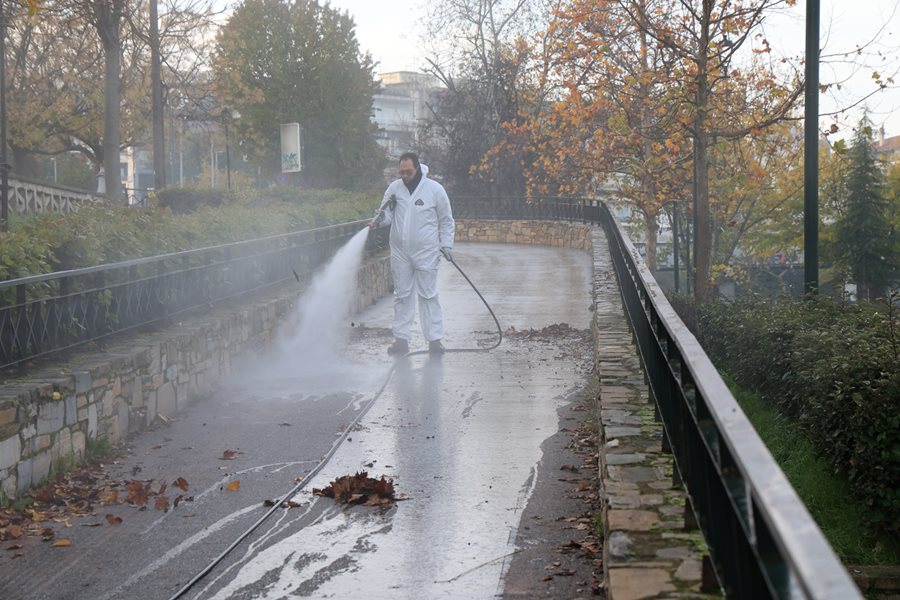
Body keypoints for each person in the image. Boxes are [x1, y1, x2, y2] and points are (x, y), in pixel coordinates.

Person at [369, 152, 455, 356]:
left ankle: (434, 341)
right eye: (402, 172)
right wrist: (377, 221)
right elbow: (386, 213)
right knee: (402, 295)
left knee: (428, 295)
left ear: (417, 168)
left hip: (426, 252)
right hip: (400, 251)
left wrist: (447, 245)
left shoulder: (434, 190)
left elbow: (446, 220)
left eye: (408, 172)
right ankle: (401, 340)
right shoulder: (394, 189)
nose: (405, 176)